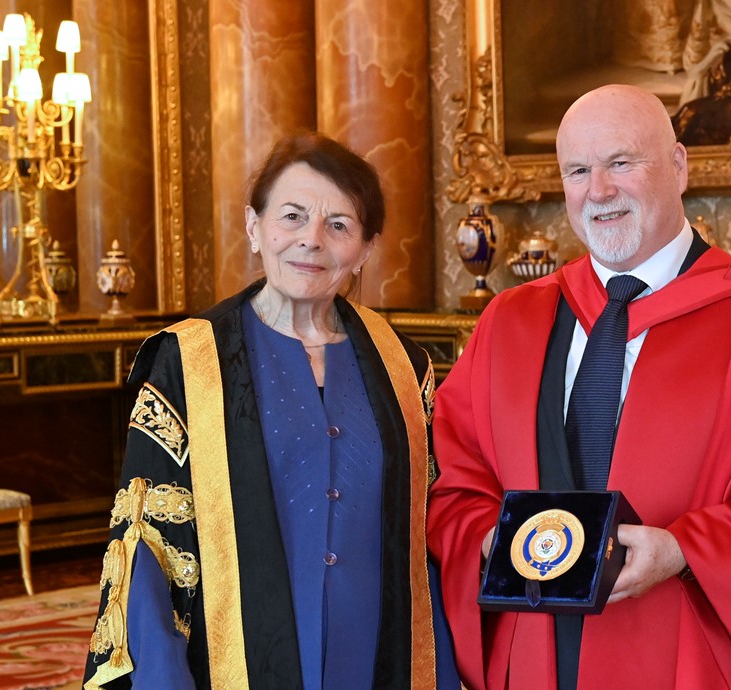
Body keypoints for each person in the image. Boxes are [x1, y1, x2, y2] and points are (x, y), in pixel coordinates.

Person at [427, 84, 731, 690]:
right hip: (538, 661)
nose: (599, 191)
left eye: (621, 163)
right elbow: (455, 489)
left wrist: (687, 550)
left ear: (679, 166)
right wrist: (491, 541)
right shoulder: (509, 323)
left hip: (688, 658)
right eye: (578, 170)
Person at [82, 133, 459, 690]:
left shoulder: (404, 366)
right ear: (255, 227)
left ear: (366, 249)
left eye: (339, 225)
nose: (311, 240)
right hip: (236, 661)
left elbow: (429, 529)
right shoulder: (187, 363)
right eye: (292, 216)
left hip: (377, 655)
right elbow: (146, 547)